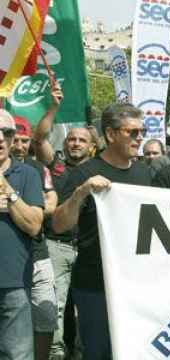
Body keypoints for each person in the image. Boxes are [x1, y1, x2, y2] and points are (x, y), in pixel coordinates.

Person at [52, 103, 152, 359]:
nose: (139, 137)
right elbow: (59, 224)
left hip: (136, 283)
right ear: (110, 134)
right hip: (95, 284)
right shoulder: (84, 173)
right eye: (132, 132)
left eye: (143, 131)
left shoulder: (144, 173)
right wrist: (81, 193)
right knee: (98, 352)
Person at [32, 87, 95, 359]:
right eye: (71, 139)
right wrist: (53, 108)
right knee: (55, 306)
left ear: (93, 146)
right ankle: (57, 354)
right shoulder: (56, 166)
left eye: (82, 140)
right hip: (57, 247)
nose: (75, 143)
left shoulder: (100, 172)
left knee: (89, 306)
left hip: (90, 249)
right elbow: (39, 137)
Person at [11, 115, 59, 360]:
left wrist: (32, 207)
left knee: (46, 318)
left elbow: (52, 202)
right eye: (15, 140)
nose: (19, 146)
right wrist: (31, 204)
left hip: (39, 256)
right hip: (11, 258)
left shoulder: (38, 169)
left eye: (24, 140)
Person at [0, 109, 45, 360]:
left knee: (16, 355)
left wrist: (7, 189)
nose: (0, 139)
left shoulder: (27, 174)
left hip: (14, 283)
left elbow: (33, 225)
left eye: (6, 133)